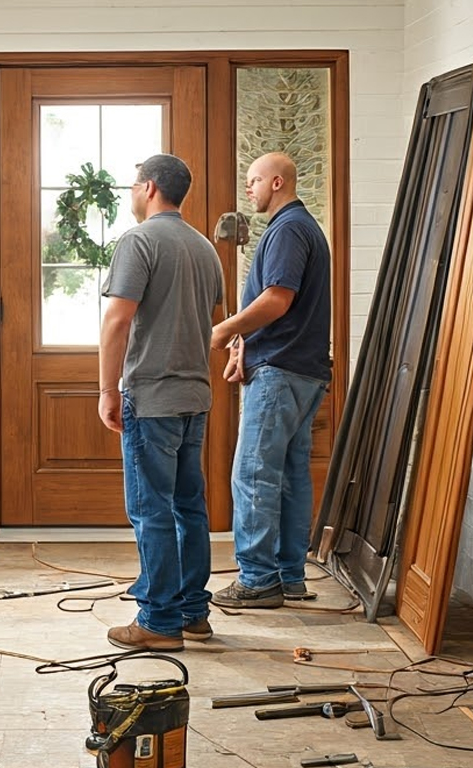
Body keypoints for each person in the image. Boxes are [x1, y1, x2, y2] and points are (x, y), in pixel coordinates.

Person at [98, 153, 224, 651]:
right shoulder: (205, 248)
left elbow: (117, 321)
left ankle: (158, 620)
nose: (131, 193)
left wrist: (108, 389)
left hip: (151, 397)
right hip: (195, 397)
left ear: (149, 187)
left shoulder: (140, 240)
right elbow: (204, 322)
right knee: (188, 507)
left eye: (133, 185)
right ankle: (193, 612)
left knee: (151, 509)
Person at [209, 151, 331, 609]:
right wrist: (245, 349)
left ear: (277, 183)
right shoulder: (301, 228)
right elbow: (283, 306)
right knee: (290, 474)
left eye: (253, 180)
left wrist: (227, 330)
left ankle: (258, 580)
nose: (248, 189)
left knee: (255, 473)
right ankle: (288, 575)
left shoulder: (287, 230)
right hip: (300, 369)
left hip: (281, 371)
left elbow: (278, 300)